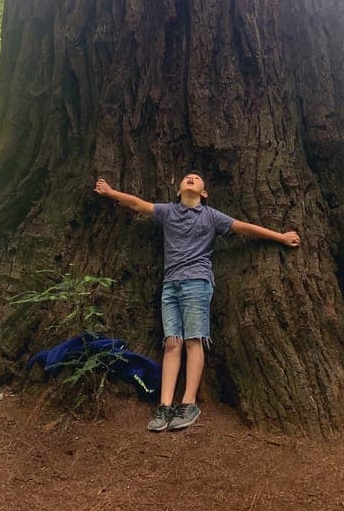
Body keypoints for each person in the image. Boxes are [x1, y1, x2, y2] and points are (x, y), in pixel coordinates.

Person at [94, 172, 300, 432]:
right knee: (172, 343)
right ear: (179, 191)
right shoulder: (168, 212)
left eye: (197, 178)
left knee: (194, 340)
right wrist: (111, 193)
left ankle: (189, 403)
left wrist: (280, 237)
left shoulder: (211, 216)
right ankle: (165, 405)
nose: (191, 178)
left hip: (197, 282)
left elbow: (245, 229)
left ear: (204, 193)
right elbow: (138, 204)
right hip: (170, 285)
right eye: (186, 178)